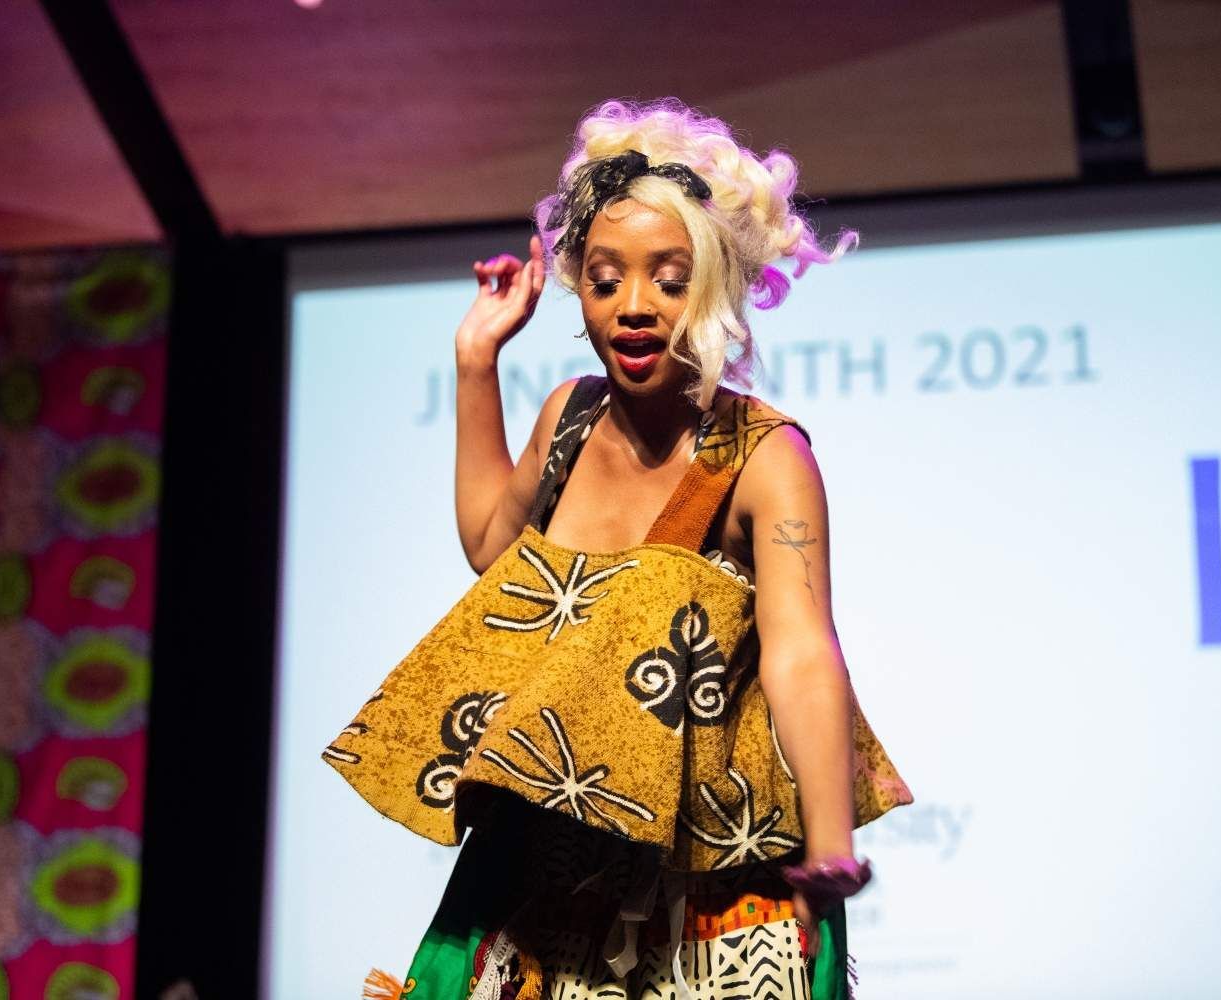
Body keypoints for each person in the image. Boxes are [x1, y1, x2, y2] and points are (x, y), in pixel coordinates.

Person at [326, 97, 911, 1000]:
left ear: (714, 287)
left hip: (709, 879)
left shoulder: (763, 457)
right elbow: (495, 548)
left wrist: (831, 840)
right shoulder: (570, 416)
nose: (634, 306)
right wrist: (477, 360)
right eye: (606, 280)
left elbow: (801, 652)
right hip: (548, 860)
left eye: (669, 280)